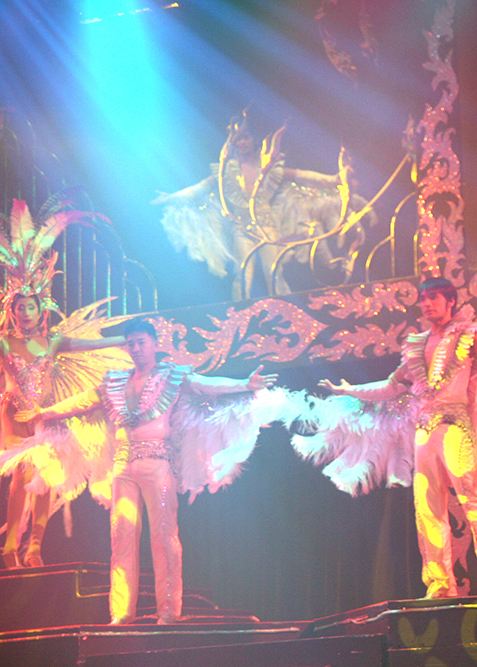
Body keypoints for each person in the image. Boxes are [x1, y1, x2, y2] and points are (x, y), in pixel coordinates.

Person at [297, 277, 477, 599]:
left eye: (433, 297)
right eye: (422, 298)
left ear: (451, 300)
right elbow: (391, 386)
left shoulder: (468, 334)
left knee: (473, 501)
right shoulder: (417, 346)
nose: (427, 303)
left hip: (455, 427)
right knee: (428, 508)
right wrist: (349, 390)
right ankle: (440, 585)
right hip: (424, 432)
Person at [15, 319, 278, 624]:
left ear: (154, 344)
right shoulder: (115, 382)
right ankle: (121, 613)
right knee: (121, 538)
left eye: (141, 342)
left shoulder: (170, 377)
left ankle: (168, 611)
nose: (136, 348)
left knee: (164, 538)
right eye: (131, 343)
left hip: (158, 464)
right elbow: (83, 401)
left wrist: (244, 384)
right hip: (123, 466)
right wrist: (43, 413)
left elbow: (204, 384)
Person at [0, 198, 130, 569]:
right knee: (23, 475)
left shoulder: (53, 341)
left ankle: (34, 547)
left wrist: (128, 339)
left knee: (49, 475)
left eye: (31, 306)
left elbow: (91, 345)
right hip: (15, 417)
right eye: (20, 307)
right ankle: (10, 547)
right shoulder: (4, 342)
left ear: (41, 309)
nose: (26, 312)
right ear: (12, 310)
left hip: (48, 415)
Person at [153, 116, 371, 299]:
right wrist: (172, 198)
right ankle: (241, 313)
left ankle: (286, 312)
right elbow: (201, 187)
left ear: (254, 138)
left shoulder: (268, 167)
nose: (242, 143)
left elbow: (303, 176)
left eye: (246, 137)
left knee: (273, 272)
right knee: (243, 273)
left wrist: (334, 179)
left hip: (267, 227)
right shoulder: (226, 170)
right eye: (237, 139)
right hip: (243, 229)